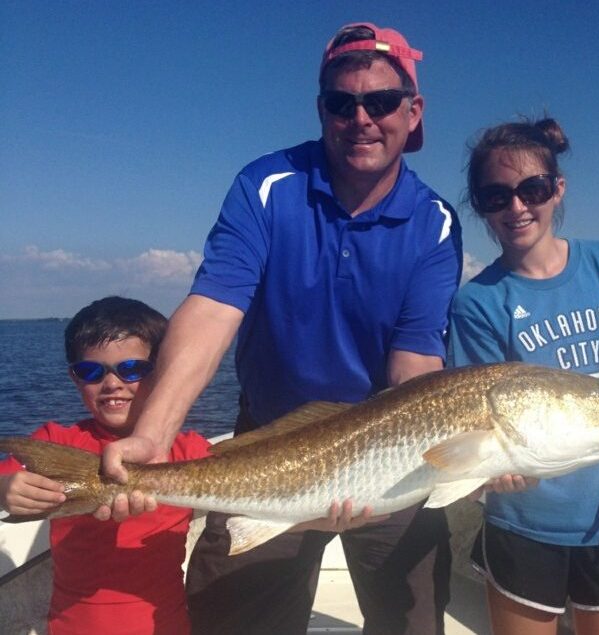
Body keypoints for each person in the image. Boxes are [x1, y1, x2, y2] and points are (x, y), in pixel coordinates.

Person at [98, 22, 462, 635]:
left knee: (413, 620)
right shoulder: (266, 186)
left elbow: (416, 364)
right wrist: (153, 435)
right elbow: (213, 307)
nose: (361, 118)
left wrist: (387, 467)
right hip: (270, 438)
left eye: (381, 101)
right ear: (322, 110)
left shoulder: (436, 222)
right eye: (342, 103)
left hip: (391, 450)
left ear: (413, 110)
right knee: (231, 618)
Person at [448, 117, 599, 635]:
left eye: (532, 189)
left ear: (558, 189)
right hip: (523, 523)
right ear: (480, 205)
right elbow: (479, 415)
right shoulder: (477, 302)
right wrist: (494, 471)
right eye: (496, 196)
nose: (517, 207)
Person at [0, 296, 211, 635]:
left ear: (164, 373)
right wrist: (4, 489)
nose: (112, 383)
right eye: (91, 372)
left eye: (132, 369)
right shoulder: (54, 442)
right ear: (74, 378)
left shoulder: (191, 449)